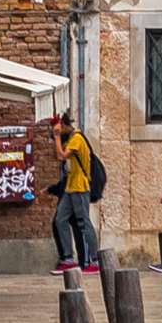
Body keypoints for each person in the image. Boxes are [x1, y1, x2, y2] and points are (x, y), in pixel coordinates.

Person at [53, 114, 105, 273]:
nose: (58, 131)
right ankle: (68, 258)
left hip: (80, 187)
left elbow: (62, 155)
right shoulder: (70, 140)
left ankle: (93, 261)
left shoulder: (77, 139)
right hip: (70, 187)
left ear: (65, 126)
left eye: (60, 128)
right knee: (60, 219)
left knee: (84, 222)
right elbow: (59, 157)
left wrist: (56, 138)